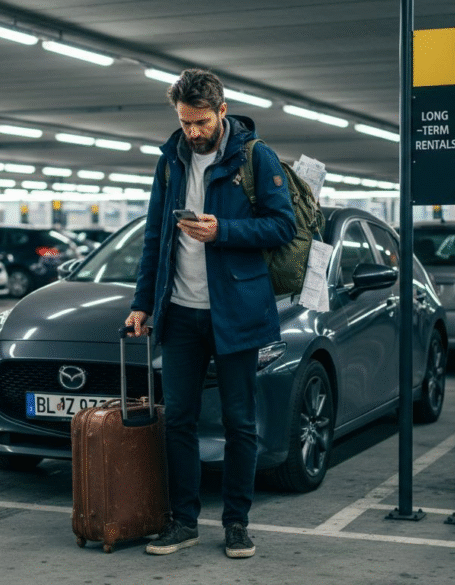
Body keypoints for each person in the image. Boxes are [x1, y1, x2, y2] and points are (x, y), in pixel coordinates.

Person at [125, 69, 297, 559]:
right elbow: (155, 237)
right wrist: (143, 304)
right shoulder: (170, 160)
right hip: (179, 313)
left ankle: (237, 523)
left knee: (239, 421)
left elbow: (281, 225)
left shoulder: (255, 157)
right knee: (178, 417)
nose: (193, 132)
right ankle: (183, 522)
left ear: (222, 112)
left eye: (200, 122)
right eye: (185, 122)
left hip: (237, 312)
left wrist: (224, 231)